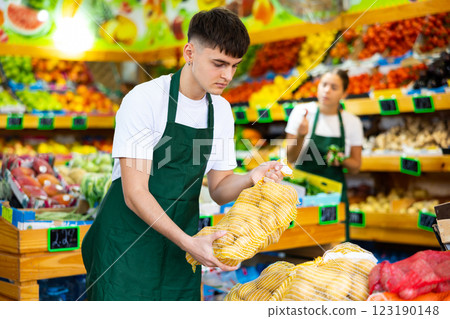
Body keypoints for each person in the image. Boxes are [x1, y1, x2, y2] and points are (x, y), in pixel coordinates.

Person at [81, 8, 283, 301]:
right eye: (218, 63)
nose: (227, 75)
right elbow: (134, 193)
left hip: (181, 253)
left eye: (234, 66)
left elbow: (219, 188)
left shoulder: (221, 111)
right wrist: (188, 242)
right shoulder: (145, 100)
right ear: (190, 52)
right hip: (126, 247)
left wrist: (252, 176)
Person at [285, 70, 363, 236]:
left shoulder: (352, 122)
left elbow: (356, 167)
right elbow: (290, 157)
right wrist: (301, 135)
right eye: (324, 85)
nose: (327, 90)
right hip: (302, 194)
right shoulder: (302, 112)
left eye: (334, 87)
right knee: (298, 242)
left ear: (345, 93)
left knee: (335, 245)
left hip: (334, 196)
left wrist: (342, 160)